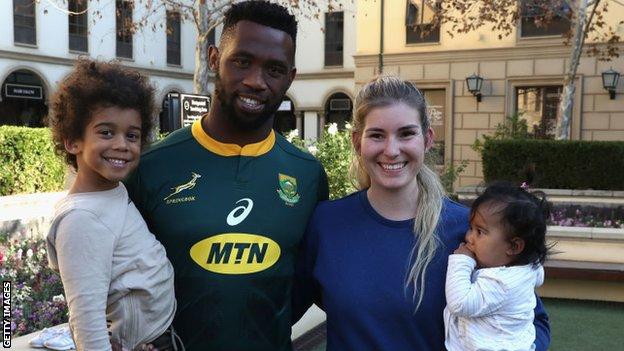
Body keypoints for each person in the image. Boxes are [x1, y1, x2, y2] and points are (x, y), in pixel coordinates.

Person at [124, 1, 328, 350]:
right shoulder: (151, 166)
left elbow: (306, 282)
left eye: (274, 69)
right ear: (216, 58)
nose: (255, 81)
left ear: (290, 78)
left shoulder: (306, 175)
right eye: (242, 61)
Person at [293, 75, 550, 350]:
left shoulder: (470, 232)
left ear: (427, 139)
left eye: (406, 133)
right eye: (377, 135)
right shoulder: (326, 224)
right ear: (357, 142)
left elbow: (533, 321)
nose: (391, 150)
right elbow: (281, 310)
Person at [46, 59, 179, 350]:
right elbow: (86, 318)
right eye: (106, 132)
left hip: (154, 338)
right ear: (72, 141)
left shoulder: (112, 190)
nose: (122, 144)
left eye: (132, 135)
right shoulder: (81, 220)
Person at [444, 182, 550, 351]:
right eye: (470, 228)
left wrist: (462, 261)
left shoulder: (501, 283)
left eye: (479, 231)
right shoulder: (526, 270)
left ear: (513, 247)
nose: (468, 237)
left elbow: (460, 304)